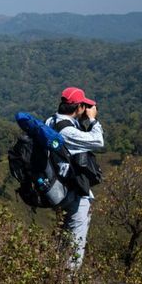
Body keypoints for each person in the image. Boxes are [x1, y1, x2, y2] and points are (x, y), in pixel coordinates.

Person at [45, 87, 104, 270]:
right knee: (75, 244)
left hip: (58, 190)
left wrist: (81, 119)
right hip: (73, 195)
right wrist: (93, 120)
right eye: (83, 105)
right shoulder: (67, 132)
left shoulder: (51, 121)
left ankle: (54, 277)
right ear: (78, 107)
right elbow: (98, 141)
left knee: (63, 240)